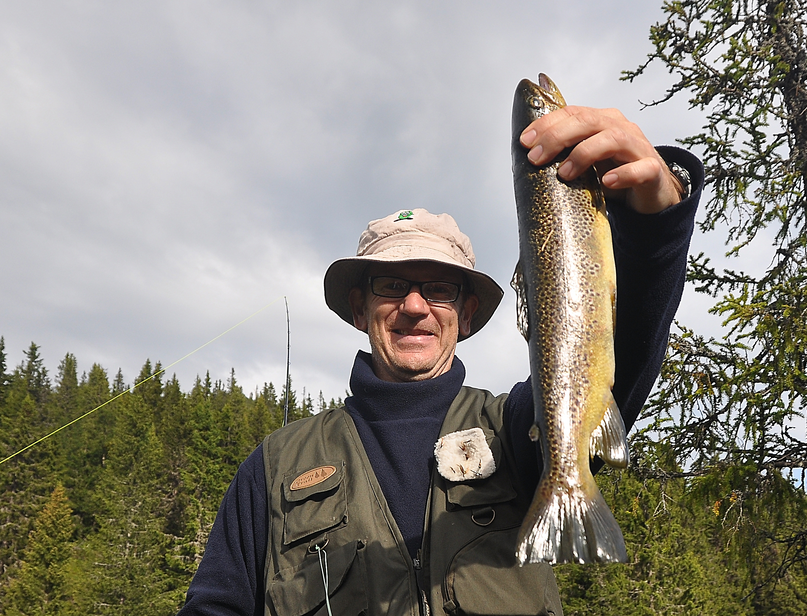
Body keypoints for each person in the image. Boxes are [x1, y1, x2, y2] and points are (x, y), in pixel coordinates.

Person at [178, 105, 703, 615]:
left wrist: (655, 222)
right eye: (391, 286)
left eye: (438, 288)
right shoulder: (272, 468)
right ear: (360, 308)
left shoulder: (517, 432)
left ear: (466, 315)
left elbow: (613, 352)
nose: (413, 306)